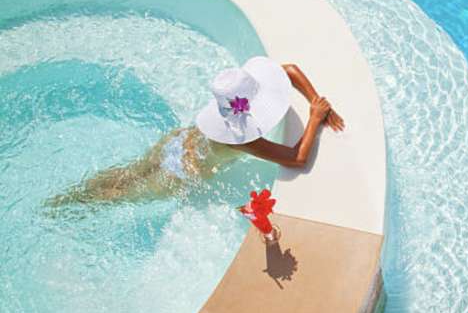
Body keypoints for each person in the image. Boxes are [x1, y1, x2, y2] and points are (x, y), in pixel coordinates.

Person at [48, 57, 343, 205]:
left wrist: (315, 99)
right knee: (117, 196)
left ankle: (68, 197)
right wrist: (315, 117)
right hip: (180, 172)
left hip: (175, 143)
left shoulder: (227, 110)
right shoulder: (243, 137)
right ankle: (69, 207)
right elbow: (296, 159)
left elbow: (288, 69)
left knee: (128, 173)